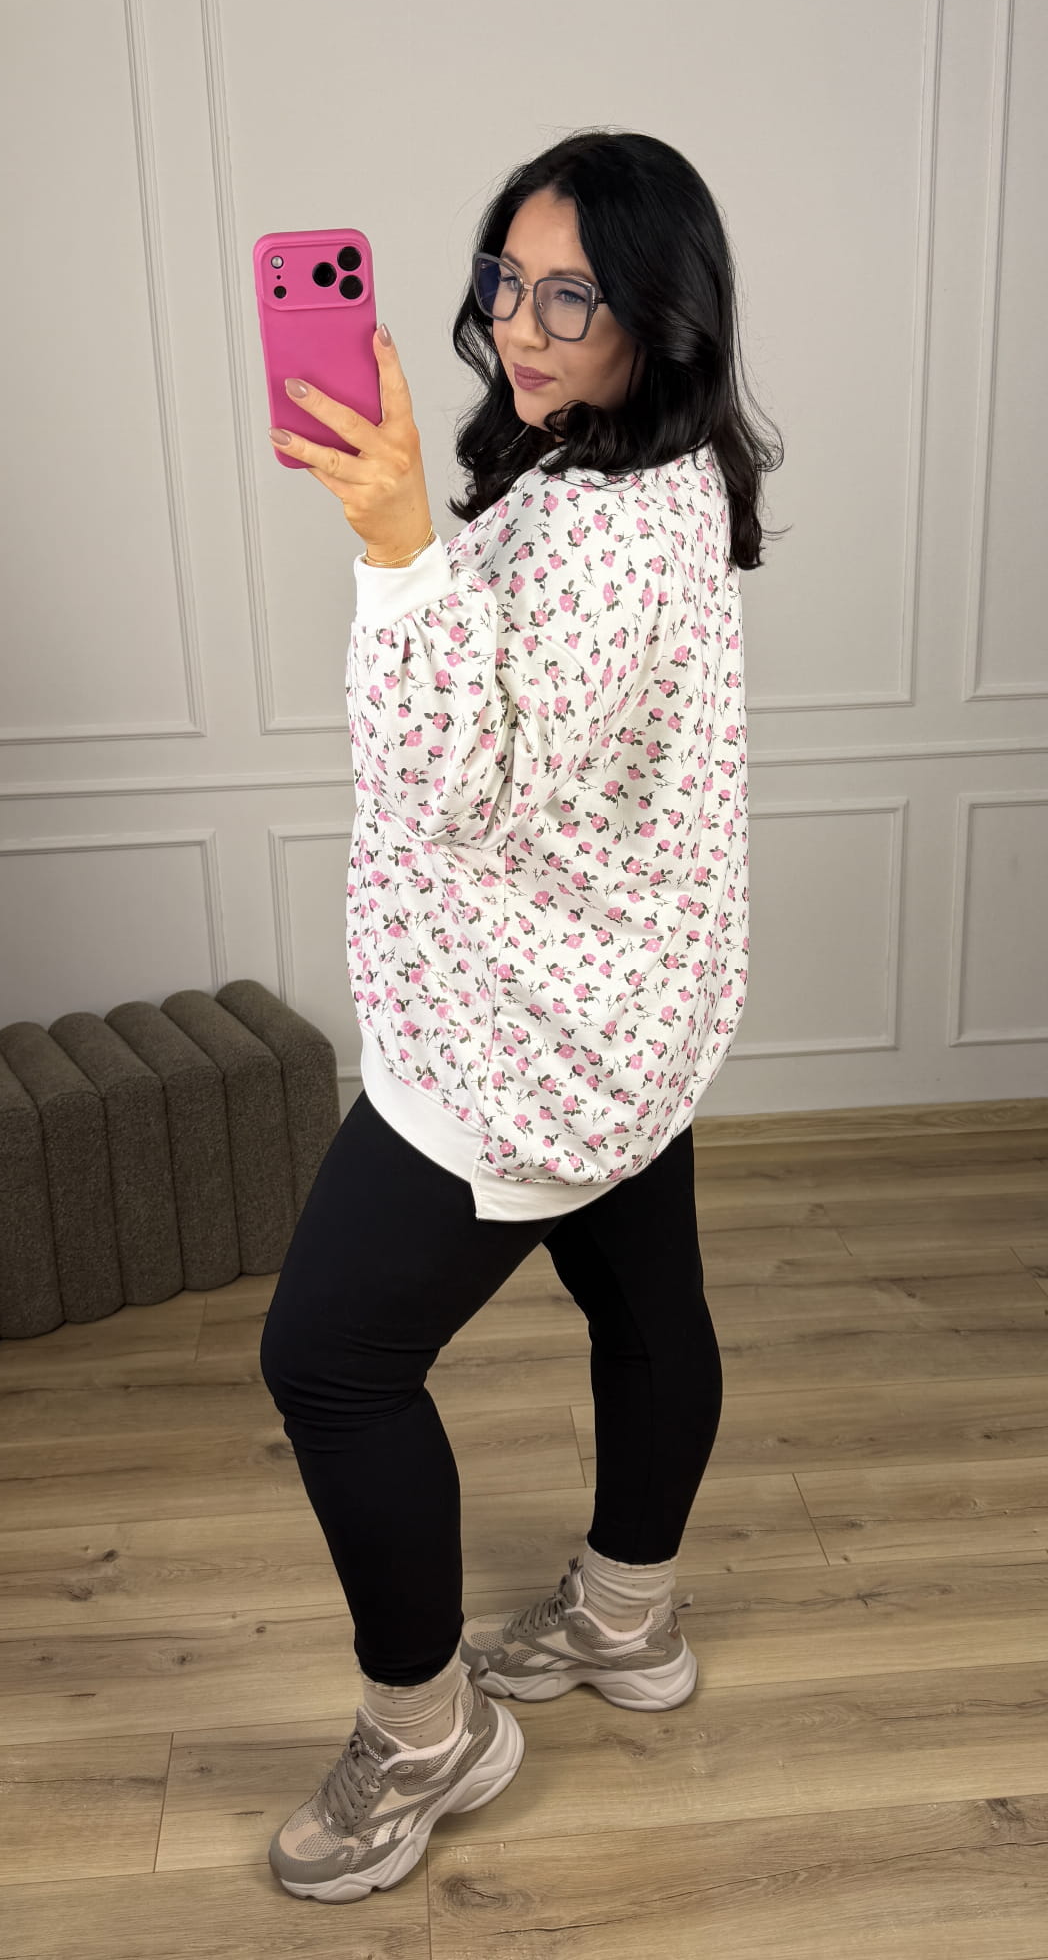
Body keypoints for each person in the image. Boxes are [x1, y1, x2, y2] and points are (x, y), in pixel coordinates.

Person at [259, 126, 783, 1905]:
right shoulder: (639, 465)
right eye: (508, 277)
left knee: (329, 1361)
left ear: (662, 316)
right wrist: (421, 530)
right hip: (630, 999)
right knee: (646, 1306)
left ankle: (427, 1735)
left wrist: (396, 545)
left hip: (525, 1036)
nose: (522, 323)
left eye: (575, 296)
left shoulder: (618, 532)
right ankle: (629, 1619)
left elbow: (460, 782)